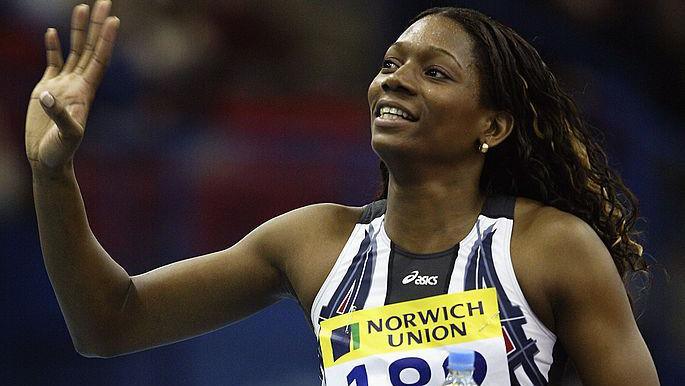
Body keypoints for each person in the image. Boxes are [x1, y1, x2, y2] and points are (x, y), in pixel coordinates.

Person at [26, 1, 659, 385]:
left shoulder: (550, 247)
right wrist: (52, 177)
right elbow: (109, 322)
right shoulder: (314, 241)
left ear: (491, 126)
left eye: (434, 72)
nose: (396, 82)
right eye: (389, 64)